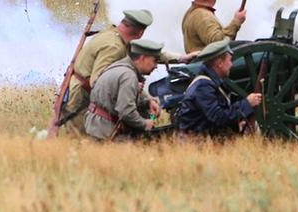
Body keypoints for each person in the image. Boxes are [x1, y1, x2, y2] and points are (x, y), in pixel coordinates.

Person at [62, 10, 193, 136]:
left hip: (81, 91)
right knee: (81, 141)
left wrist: (180, 58)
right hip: (81, 96)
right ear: (140, 32)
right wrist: (133, 89)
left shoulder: (114, 34)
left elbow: (145, 54)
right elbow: (98, 82)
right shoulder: (114, 47)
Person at [177, 38, 262, 138]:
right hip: (196, 145)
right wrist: (247, 104)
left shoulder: (211, 83)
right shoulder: (203, 87)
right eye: (229, 60)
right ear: (219, 63)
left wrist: (236, 124)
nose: (231, 65)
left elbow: (218, 116)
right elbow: (218, 117)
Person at [84, 39, 164, 141]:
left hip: (98, 128)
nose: (156, 66)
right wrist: (144, 124)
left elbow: (117, 99)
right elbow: (126, 111)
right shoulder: (128, 76)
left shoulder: (118, 67)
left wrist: (147, 103)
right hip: (106, 132)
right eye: (155, 61)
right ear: (143, 58)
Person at [182, 0, 246, 53]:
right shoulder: (203, 16)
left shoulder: (192, 12)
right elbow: (219, 43)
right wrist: (236, 22)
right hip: (207, 64)